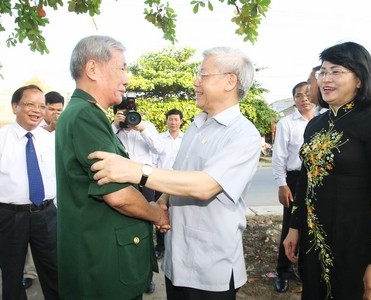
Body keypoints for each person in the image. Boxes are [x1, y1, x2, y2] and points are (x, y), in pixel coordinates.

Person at [88, 46, 262, 300]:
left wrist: (136, 171)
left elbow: (205, 186)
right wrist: (163, 200)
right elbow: (179, 173)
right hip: (178, 258)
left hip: (211, 266)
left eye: (203, 75)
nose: (195, 81)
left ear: (230, 81)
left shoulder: (243, 135)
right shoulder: (197, 125)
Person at [283, 41, 371, 300]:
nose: (326, 79)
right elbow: (305, 180)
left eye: (337, 71)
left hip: (354, 243)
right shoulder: (315, 124)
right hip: (315, 241)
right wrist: (294, 227)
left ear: (359, 79)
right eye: (323, 71)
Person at [55, 35, 169, 300]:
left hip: (98, 255)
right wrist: (156, 214)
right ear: (92, 69)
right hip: (103, 264)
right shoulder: (85, 115)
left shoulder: (85, 112)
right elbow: (117, 195)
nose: (126, 78)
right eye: (122, 68)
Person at [0, 84, 59, 299]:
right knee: (12, 276)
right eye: (29, 104)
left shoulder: (51, 140)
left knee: (55, 274)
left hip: (47, 215)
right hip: (10, 217)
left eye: (41, 106)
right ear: (15, 107)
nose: (36, 110)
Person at [112, 98, 164, 294]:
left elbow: (159, 149)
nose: (128, 117)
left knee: (146, 233)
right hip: (121, 186)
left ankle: (147, 277)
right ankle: (124, 275)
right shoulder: (112, 130)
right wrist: (115, 126)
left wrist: (142, 129)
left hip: (145, 183)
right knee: (123, 233)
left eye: (130, 112)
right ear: (117, 113)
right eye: (123, 113)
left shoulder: (146, 126)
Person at [272, 81, 314, 293]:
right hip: (295, 180)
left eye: (307, 94)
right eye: (299, 95)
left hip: (318, 179)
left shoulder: (325, 119)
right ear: (294, 100)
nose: (304, 99)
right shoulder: (287, 123)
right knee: (291, 225)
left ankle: (308, 271)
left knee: (313, 227)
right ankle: (283, 271)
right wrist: (282, 184)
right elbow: (279, 156)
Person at [23, 90, 65, 289]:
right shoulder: (31, 130)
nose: (55, 113)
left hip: (56, 195)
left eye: (59, 110)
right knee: (30, 243)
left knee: (52, 244)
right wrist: (52, 129)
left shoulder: (64, 129)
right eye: (51, 109)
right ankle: (29, 273)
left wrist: (59, 129)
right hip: (33, 200)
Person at [152, 108, 184, 259]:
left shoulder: (186, 140)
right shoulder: (159, 139)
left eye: (176, 120)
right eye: (170, 119)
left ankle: (177, 247)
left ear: (181, 121)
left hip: (179, 183)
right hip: (161, 183)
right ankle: (160, 246)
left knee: (178, 216)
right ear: (166, 121)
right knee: (161, 214)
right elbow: (153, 160)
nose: (173, 123)